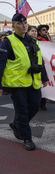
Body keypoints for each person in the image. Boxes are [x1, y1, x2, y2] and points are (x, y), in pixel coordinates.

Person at [0, 13, 48, 150]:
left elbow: (40, 61)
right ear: (13, 26)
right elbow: (1, 63)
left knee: (34, 106)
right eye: (20, 24)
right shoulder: (7, 42)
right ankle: (26, 138)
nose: (23, 25)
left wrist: (44, 77)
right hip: (16, 83)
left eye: (25, 23)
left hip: (33, 82)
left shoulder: (33, 40)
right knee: (22, 110)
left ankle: (17, 124)